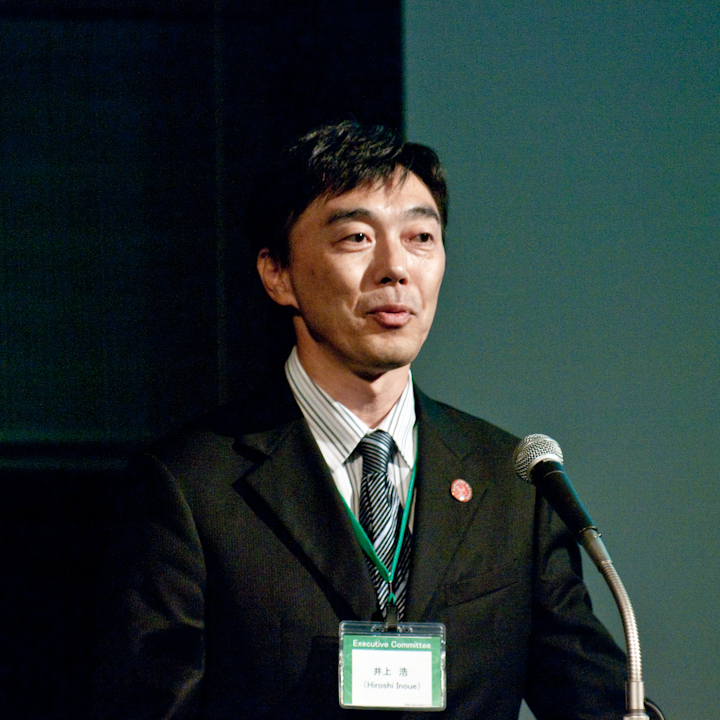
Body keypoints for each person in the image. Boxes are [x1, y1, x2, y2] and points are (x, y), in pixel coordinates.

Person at [94, 121, 627, 719]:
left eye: (421, 236)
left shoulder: (512, 483)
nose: (396, 268)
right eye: (355, 238)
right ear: (278, 274)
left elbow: (594, 702)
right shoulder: (189, 486)